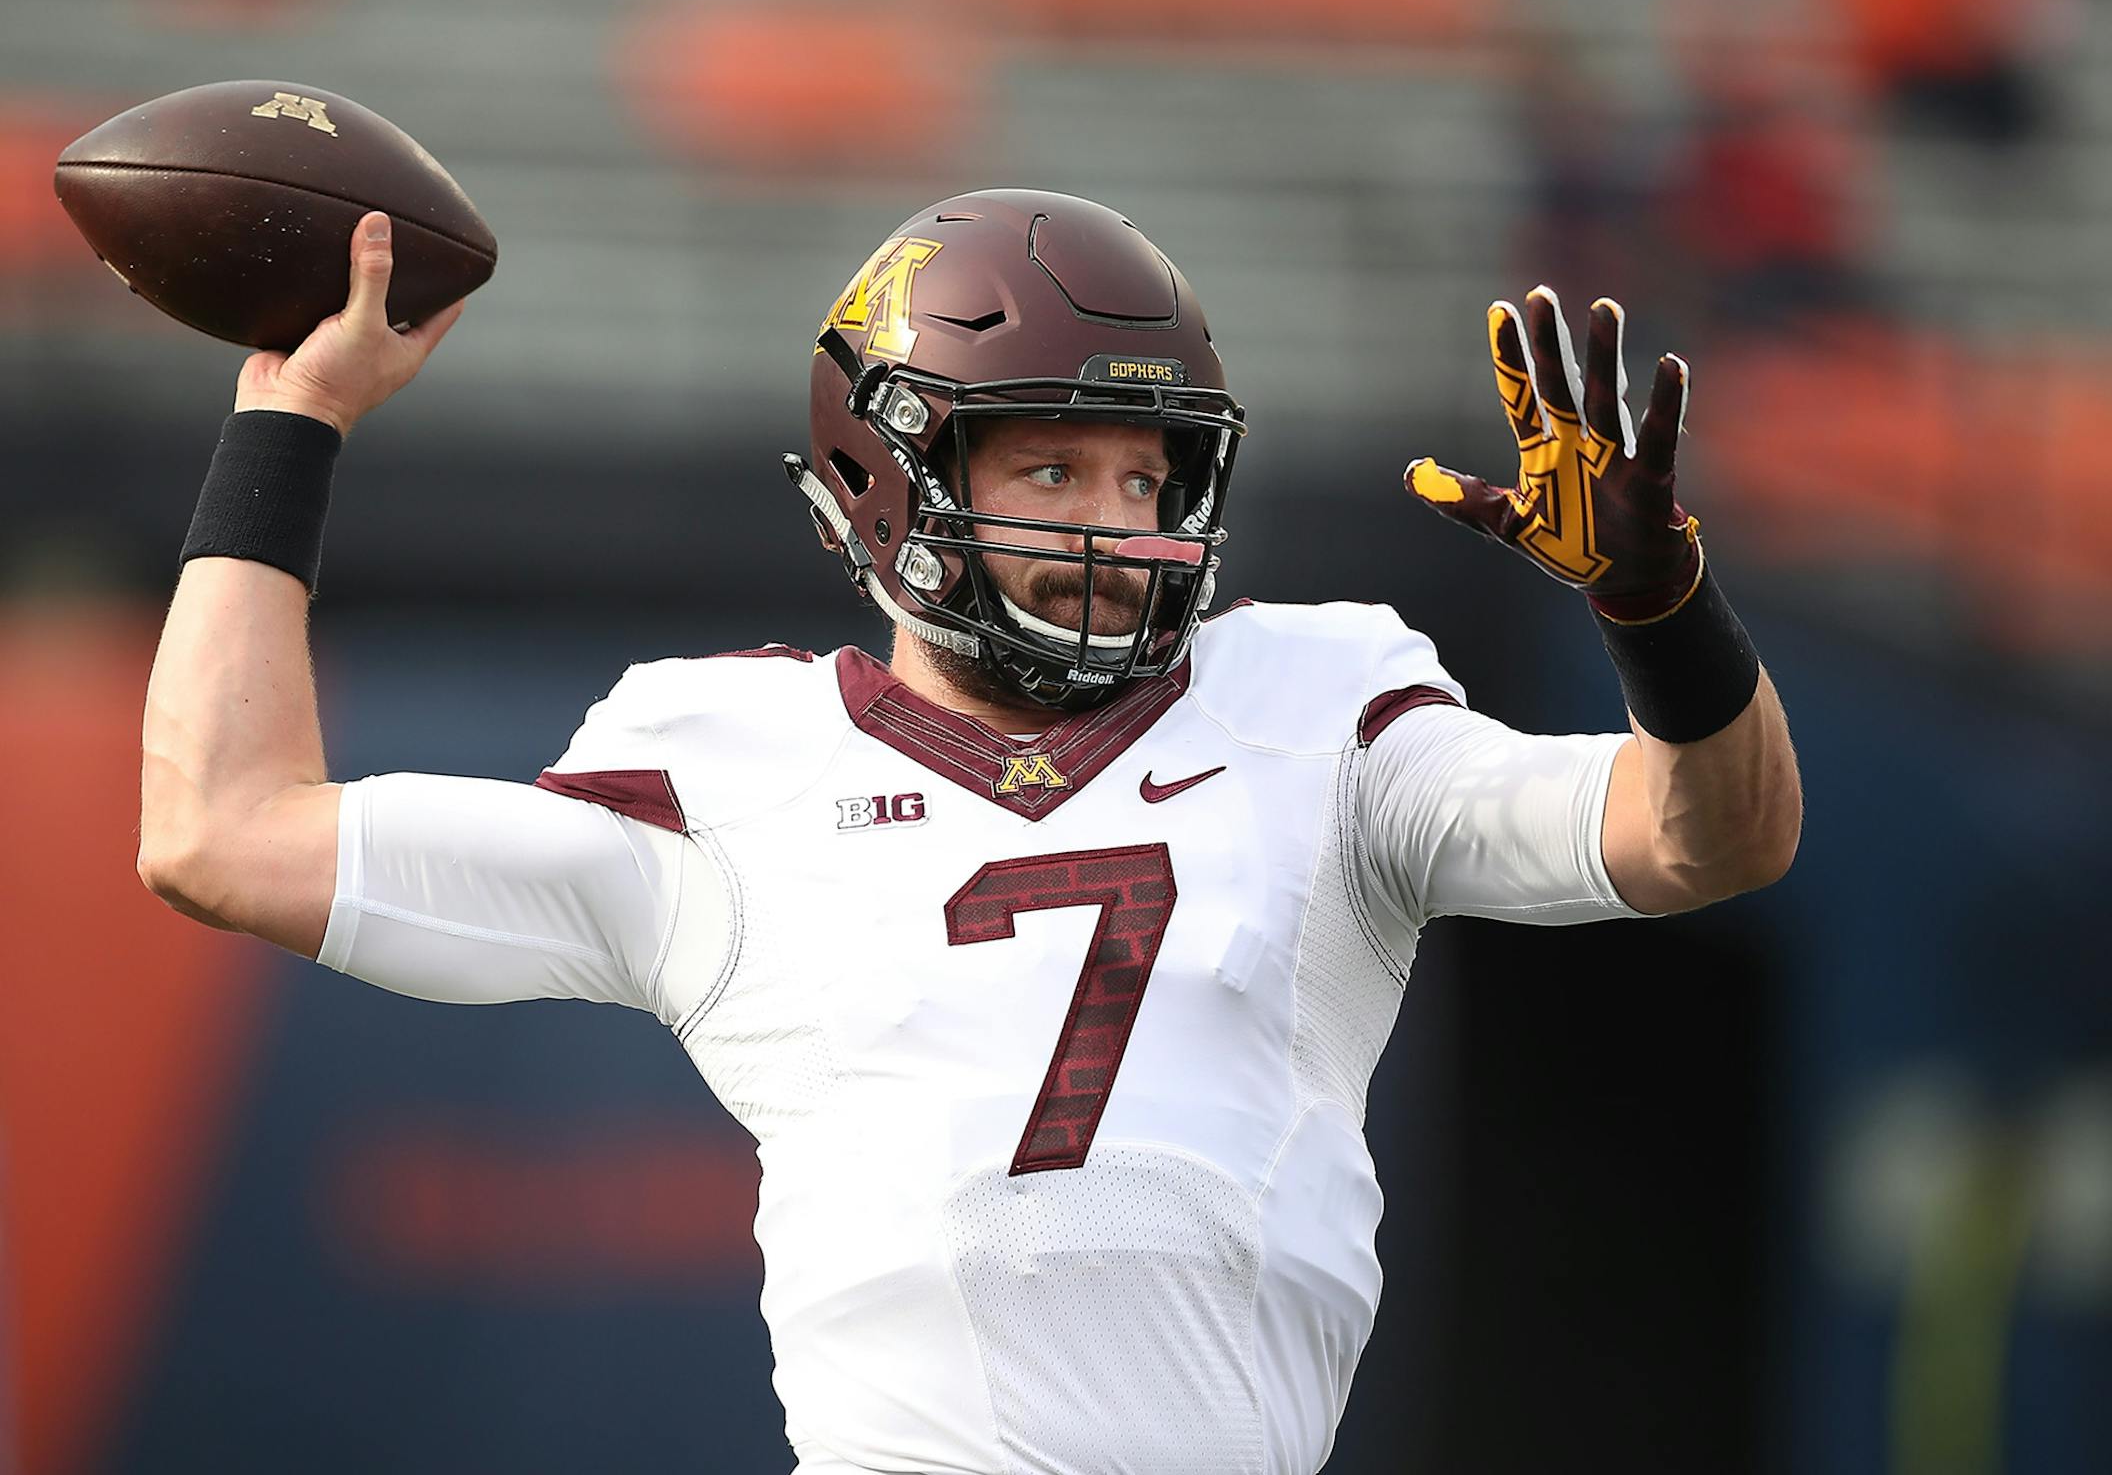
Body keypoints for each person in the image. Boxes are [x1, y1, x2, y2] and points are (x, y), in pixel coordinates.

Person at [138, 189, 1801, 1475]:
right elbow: (223, 829)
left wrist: (1664, 611)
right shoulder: (732, 763)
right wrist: (290, 423)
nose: (1118, 525)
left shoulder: (1322, 706)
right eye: (1055, 471)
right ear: (888, 480)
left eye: (1149, 480)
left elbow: (1702, 837)